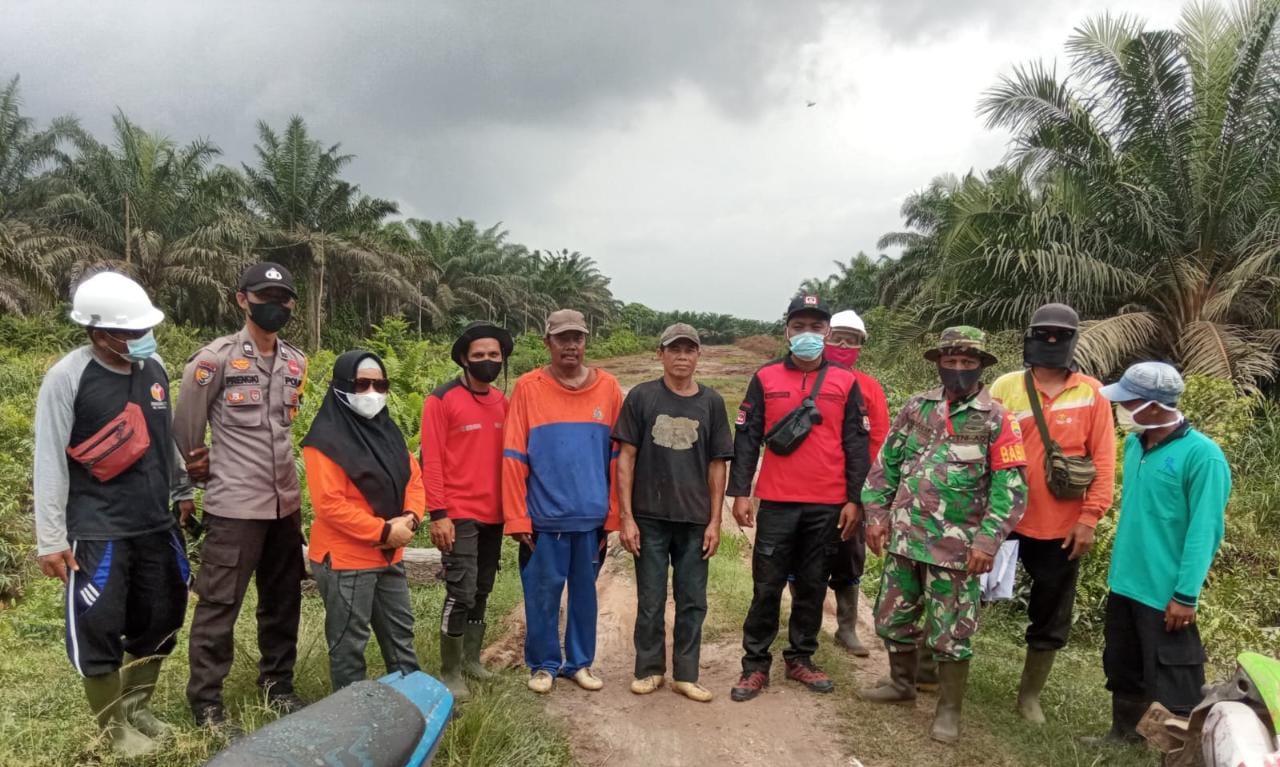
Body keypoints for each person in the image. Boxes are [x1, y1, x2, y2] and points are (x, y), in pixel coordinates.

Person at [33, 271, 193, 757]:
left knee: (162, 614)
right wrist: (50, 537)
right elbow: (48, 458)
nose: (142, 339)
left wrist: (182, 485)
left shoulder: (155, 369)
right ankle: (112, 728)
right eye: (130, 333)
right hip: (98, 529)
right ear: (99, 333)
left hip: (155, 522)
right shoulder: (68, 377)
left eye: (144, 330)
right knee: (98, 623)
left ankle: (138, 704)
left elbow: (162, 437)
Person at [858, 326, 1028, 745]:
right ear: (939, 364)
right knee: (892, 617)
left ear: (980, 366)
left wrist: (988, 542)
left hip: (957, 548)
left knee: (951, 632)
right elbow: (888, 463)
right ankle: (902, 684)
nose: (957, 370)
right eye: (949, 362)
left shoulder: (998, 419)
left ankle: (948, 710)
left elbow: (1011, 487)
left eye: (966, 363)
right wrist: (875, 515)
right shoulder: (918, 407)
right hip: (904, 536)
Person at [174, 262, 309, 728]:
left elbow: (285, 425)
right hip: (234, 507)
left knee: (283, 599)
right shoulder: (212, 361)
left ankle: (278, 685)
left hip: (284, 505)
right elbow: (186, 430)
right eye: (263, 296)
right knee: (219, 605)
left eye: (282, 298)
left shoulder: (296, 362)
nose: (273, 305)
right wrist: (197, 474)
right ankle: (207, 702)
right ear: (241, 299)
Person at [727, 294, 871, 703]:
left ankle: (801, 657)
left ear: (827, 331)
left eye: (815, 326)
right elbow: (748, 436)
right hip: (776, 501)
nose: (807, 333)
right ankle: (755, 665)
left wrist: (854, 499)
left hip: (827, 504)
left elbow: (856, 445)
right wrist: (741, 492)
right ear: (786, 330)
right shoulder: (765, 377)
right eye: (798, 326)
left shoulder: (846, 382)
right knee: (767, 585)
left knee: (812, 585)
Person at [988, 303, 1116, 724]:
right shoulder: (1005, 387)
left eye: (1061, 336)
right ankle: (937, 668)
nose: (1051, 342)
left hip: (1061, 524)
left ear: (1074, 341)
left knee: (1050, 611)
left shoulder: (1093, 393)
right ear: (1029, 337)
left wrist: (1090, 518)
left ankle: (1029, 696)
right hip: (1002, 517)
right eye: (1043, 334)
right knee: (967, 591)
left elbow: (1104, 458)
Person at [1095, 362, 1229, 741]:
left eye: (1127, 401)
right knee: (1122, 664)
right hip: (1125, 580)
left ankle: (1179, 748)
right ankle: (1123, 734)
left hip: (1165, 589)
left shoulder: (1203, 456)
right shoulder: (1136, 443)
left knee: (1173, 675)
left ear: (1153, 406)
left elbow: (1205, 531)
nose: (1119, 408)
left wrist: (1185, 594)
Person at [503, 309, 624, 694]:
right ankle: (543, 665)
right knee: (541, 594)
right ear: (548, 343)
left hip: (590, 519)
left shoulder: (608, 388)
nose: (571, 345)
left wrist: (614, 515)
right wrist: (517, 517)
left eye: (578, 338)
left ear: (586, 342)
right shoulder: (528, 387)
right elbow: (513, 455)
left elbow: (618, 457)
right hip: (544, 519)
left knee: (585, 596)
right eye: (562, 338)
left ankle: (580, 663)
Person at [615, 323, 734, 703]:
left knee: (693, 599)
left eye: (690, 349)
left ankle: (687, 673)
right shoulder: (641, 397)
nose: (682, 356)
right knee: (650, 597)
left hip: (695, 520)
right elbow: (626, 459)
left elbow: (718, 464)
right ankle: (649, 670)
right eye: (674, 349)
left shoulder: (712, 403)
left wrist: (716, 520)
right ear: (661, 354)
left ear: (699, 355)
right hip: (648, 517)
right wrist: (627, 516)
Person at [302, 351, 425, 693]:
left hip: (390, 554)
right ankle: (349, 711)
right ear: (342, 386)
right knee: (349, 642)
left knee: (400, 631)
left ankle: (412, 700)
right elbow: (329, 505)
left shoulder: (389, 432)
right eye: (362, 384)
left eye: (380, 384)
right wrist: (384, 530)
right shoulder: (323, 442)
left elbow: (413, 479)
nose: (372, 392)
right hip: (347, 559)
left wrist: (411, 519)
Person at [421, 321, 513, 702]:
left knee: (482, 587)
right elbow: (432, 460)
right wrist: (438, 513)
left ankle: (473, 659)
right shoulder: (441, 400)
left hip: (495, 513)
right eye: (479, 355)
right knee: (461, 590)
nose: (487, 361)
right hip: (458, 513)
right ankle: (450, 670)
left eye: (494, 355)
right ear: (464, 358)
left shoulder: (502, 403)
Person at [821, 309, 890, 656]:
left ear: (861, 346)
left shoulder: (870, 388)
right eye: (837, 338)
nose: (843, 345)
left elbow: (879, 442)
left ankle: (846, 628)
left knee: (849, 555)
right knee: (804, 557)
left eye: (852, 340)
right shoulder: (808, 378)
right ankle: (801, 627)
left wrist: (867, 494)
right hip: (812, 488)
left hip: (853, 491)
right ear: (825, 338)